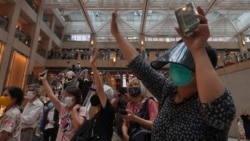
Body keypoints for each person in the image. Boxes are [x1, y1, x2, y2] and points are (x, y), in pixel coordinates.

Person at [111, 7, 236, 141]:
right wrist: (117, 35)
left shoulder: (208, 107)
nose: (174, 67)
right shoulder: (169, 91)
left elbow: (221, 110)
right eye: (176, 61)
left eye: (183, 62)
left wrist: (198, 50)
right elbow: (139, 65)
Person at [39, 73, 88, 141]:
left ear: (77, 98)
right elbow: (51, 95)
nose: (66, 98)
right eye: (66, 96)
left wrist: (74, 110)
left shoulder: (82, 109)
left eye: (69, 96)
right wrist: (44, 80)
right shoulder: (63, 108)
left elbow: (77, 128)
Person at [89, 49, 115, 141]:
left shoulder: (108, 110)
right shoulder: (97, 114)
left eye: (98, 94)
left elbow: (100, 89)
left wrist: (93, 65)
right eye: (95, 94)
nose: (96, 95)